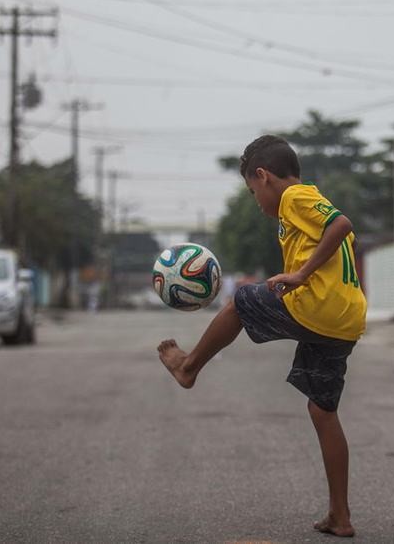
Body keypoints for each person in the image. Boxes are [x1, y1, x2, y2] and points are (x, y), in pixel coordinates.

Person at [157, 134, 366, 538]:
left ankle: (188, 366)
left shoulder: (295, 198)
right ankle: (340, 516)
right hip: (344, 318)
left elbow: (342, 225)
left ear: (264, 176)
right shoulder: (304, 204)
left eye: (253, 191)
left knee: (240, 301)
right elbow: (338, 234)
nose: (256, 201)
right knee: (323, 411)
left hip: (317, 306)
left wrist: (301, 275)